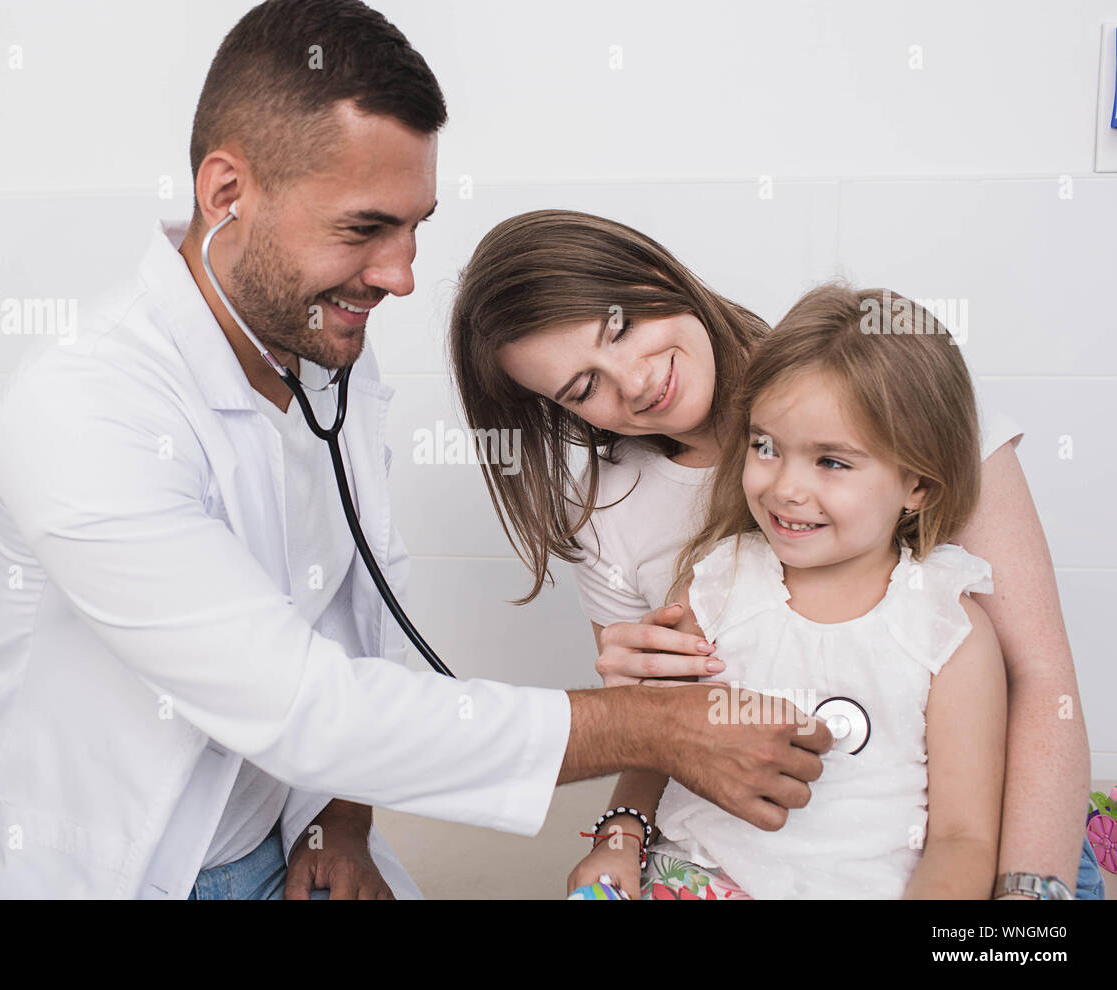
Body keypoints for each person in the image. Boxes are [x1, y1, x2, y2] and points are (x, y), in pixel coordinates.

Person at [0, 0, 831, 901]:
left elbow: (361, 607)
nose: (400, 276)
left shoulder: (326, 355)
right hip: (108, 867)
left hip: (290, 844)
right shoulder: (86, 407)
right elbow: (301, 704)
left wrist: (340, 817)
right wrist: (651, 727)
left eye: (414, 227)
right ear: (226, 193)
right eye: (364, 229)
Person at [451, 209, 1101, 900]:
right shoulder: (618, 520)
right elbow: (661, 735)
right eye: (584, 389)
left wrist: (1029, 898)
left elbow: (1040, 685)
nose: (634, 381)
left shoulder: (892, 392)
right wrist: (622, 817)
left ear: (655, 272)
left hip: (999, 834)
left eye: (622, 327)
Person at [568, 283, 1006, 898]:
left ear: (920, 485)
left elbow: (964, 839)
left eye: (832, 461)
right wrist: (620, 837)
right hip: (692, 876)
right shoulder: (717, 585)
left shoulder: (947, 627)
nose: (786, 489)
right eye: (766, 446)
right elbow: (657, 736)